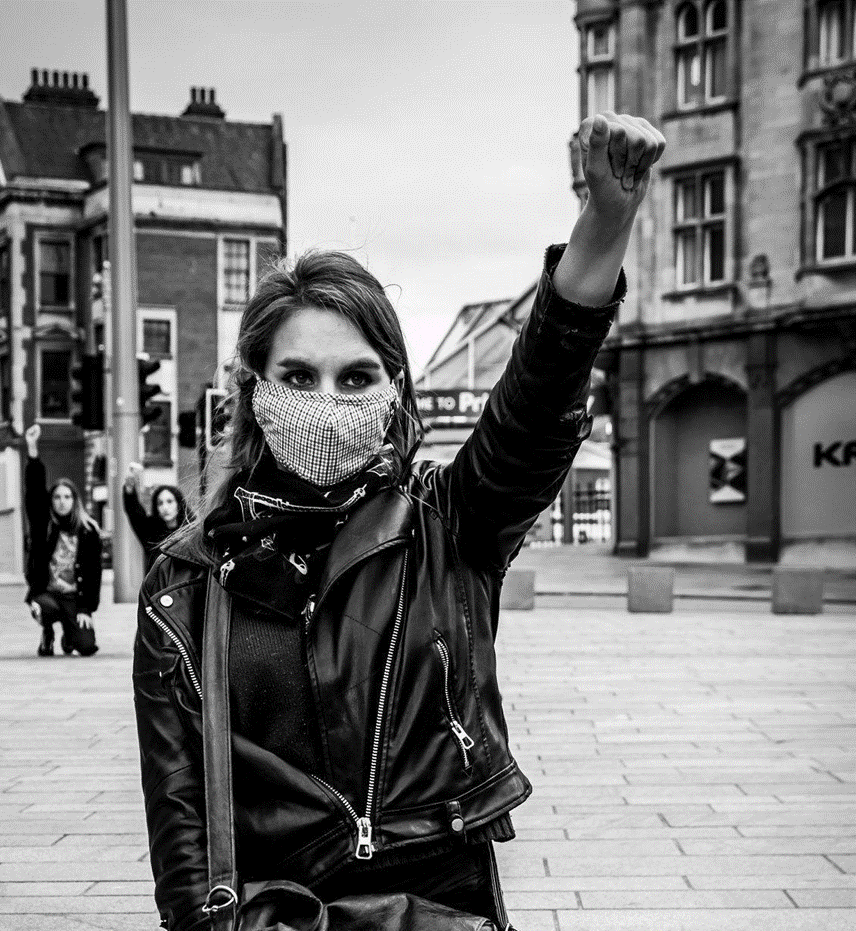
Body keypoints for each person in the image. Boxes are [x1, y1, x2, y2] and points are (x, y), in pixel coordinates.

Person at [133, 112, 664, 930]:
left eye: (355, 378)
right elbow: (187, 863)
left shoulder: (447, 524)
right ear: (253, 389)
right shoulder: (184, 584)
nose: (327, 401)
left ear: (393, 394)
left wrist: (605, 219)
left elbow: (535, 401)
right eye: (298, 376)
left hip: (447, 898)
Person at [23, 424, 102, 657]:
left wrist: (86, 609)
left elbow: (94, 573)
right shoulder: (44, 525)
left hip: (75, 598)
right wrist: (32, 448)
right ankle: (47, 632)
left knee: (86, 647)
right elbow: (34, 490)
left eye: (67, 497)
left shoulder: (88, 531)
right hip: (47, 594)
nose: (62, 501)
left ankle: (70, 633)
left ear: (75, 500)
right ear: (51, 501)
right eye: (57, 497)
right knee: (44, 608)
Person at [122, 462, 191, 571]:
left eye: (169, 501)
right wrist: (129, 486)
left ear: (178, 504)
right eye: (160, 503)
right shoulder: (152, 534)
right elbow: (134, 513)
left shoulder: (190, 531)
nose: (165, 507)